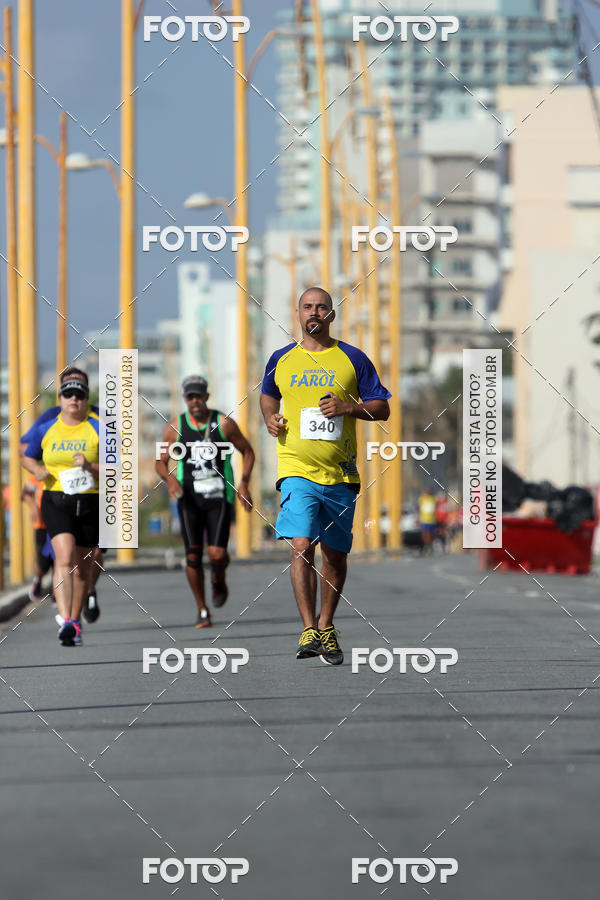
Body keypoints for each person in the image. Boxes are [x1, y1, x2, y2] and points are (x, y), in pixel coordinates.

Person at [260, 286, 391, 666]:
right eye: (307, 307)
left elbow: (381, 408)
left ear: (331, 315)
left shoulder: (352, 358)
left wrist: (349, 407)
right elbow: (268, 394)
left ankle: (327, 624)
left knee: (334, 554)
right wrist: (270, 417)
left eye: (321, 307)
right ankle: (308, 628)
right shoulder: (281, 359)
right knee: (301, 544)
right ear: (298, 313)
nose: (314, 313)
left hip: (340, 474)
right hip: (296, 470)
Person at [156, 375, 255, 628]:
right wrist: (170, 480)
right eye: (190, 397)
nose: (195, 401)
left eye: (199, 396)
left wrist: (244, 482)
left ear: (207, 397)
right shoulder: (175, 427)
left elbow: (248, 451)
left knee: (217, 553)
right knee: (192, 556)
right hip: (188, 498)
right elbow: (159, 461)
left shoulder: (223, 423)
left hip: (218, 496)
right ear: (185, 399)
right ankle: (202, 609)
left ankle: (219, 574)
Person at [19, 367, 104, 624]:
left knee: (91, 559)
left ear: (87, 394)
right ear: (60, 394)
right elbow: (26, 449)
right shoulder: (49, 420)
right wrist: (37, 469)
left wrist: (90, 467)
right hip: (57, 500)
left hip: (94, 499)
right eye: (67, 391)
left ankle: (88, 591)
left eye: (79, 391)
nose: (73, 398)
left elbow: (122, 465)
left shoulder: (101, 421)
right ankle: (67, 620)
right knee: (63, 558)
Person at [22, 477, 54, 603]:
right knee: (44, 561)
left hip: (60, 523)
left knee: (59, 559)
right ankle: (38, 579)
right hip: (42, 524)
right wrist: (33, 507)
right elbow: (25, 493)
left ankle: (57, 592)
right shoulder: (39, 472)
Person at [418, 488, 437, 553]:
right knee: (426, 534)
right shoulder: (432, 499)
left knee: (427, 534)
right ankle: (428, 546)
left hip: (429, 520)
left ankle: (428, 546)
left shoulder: (426, 499)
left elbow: (419, 508)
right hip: (426, 520)